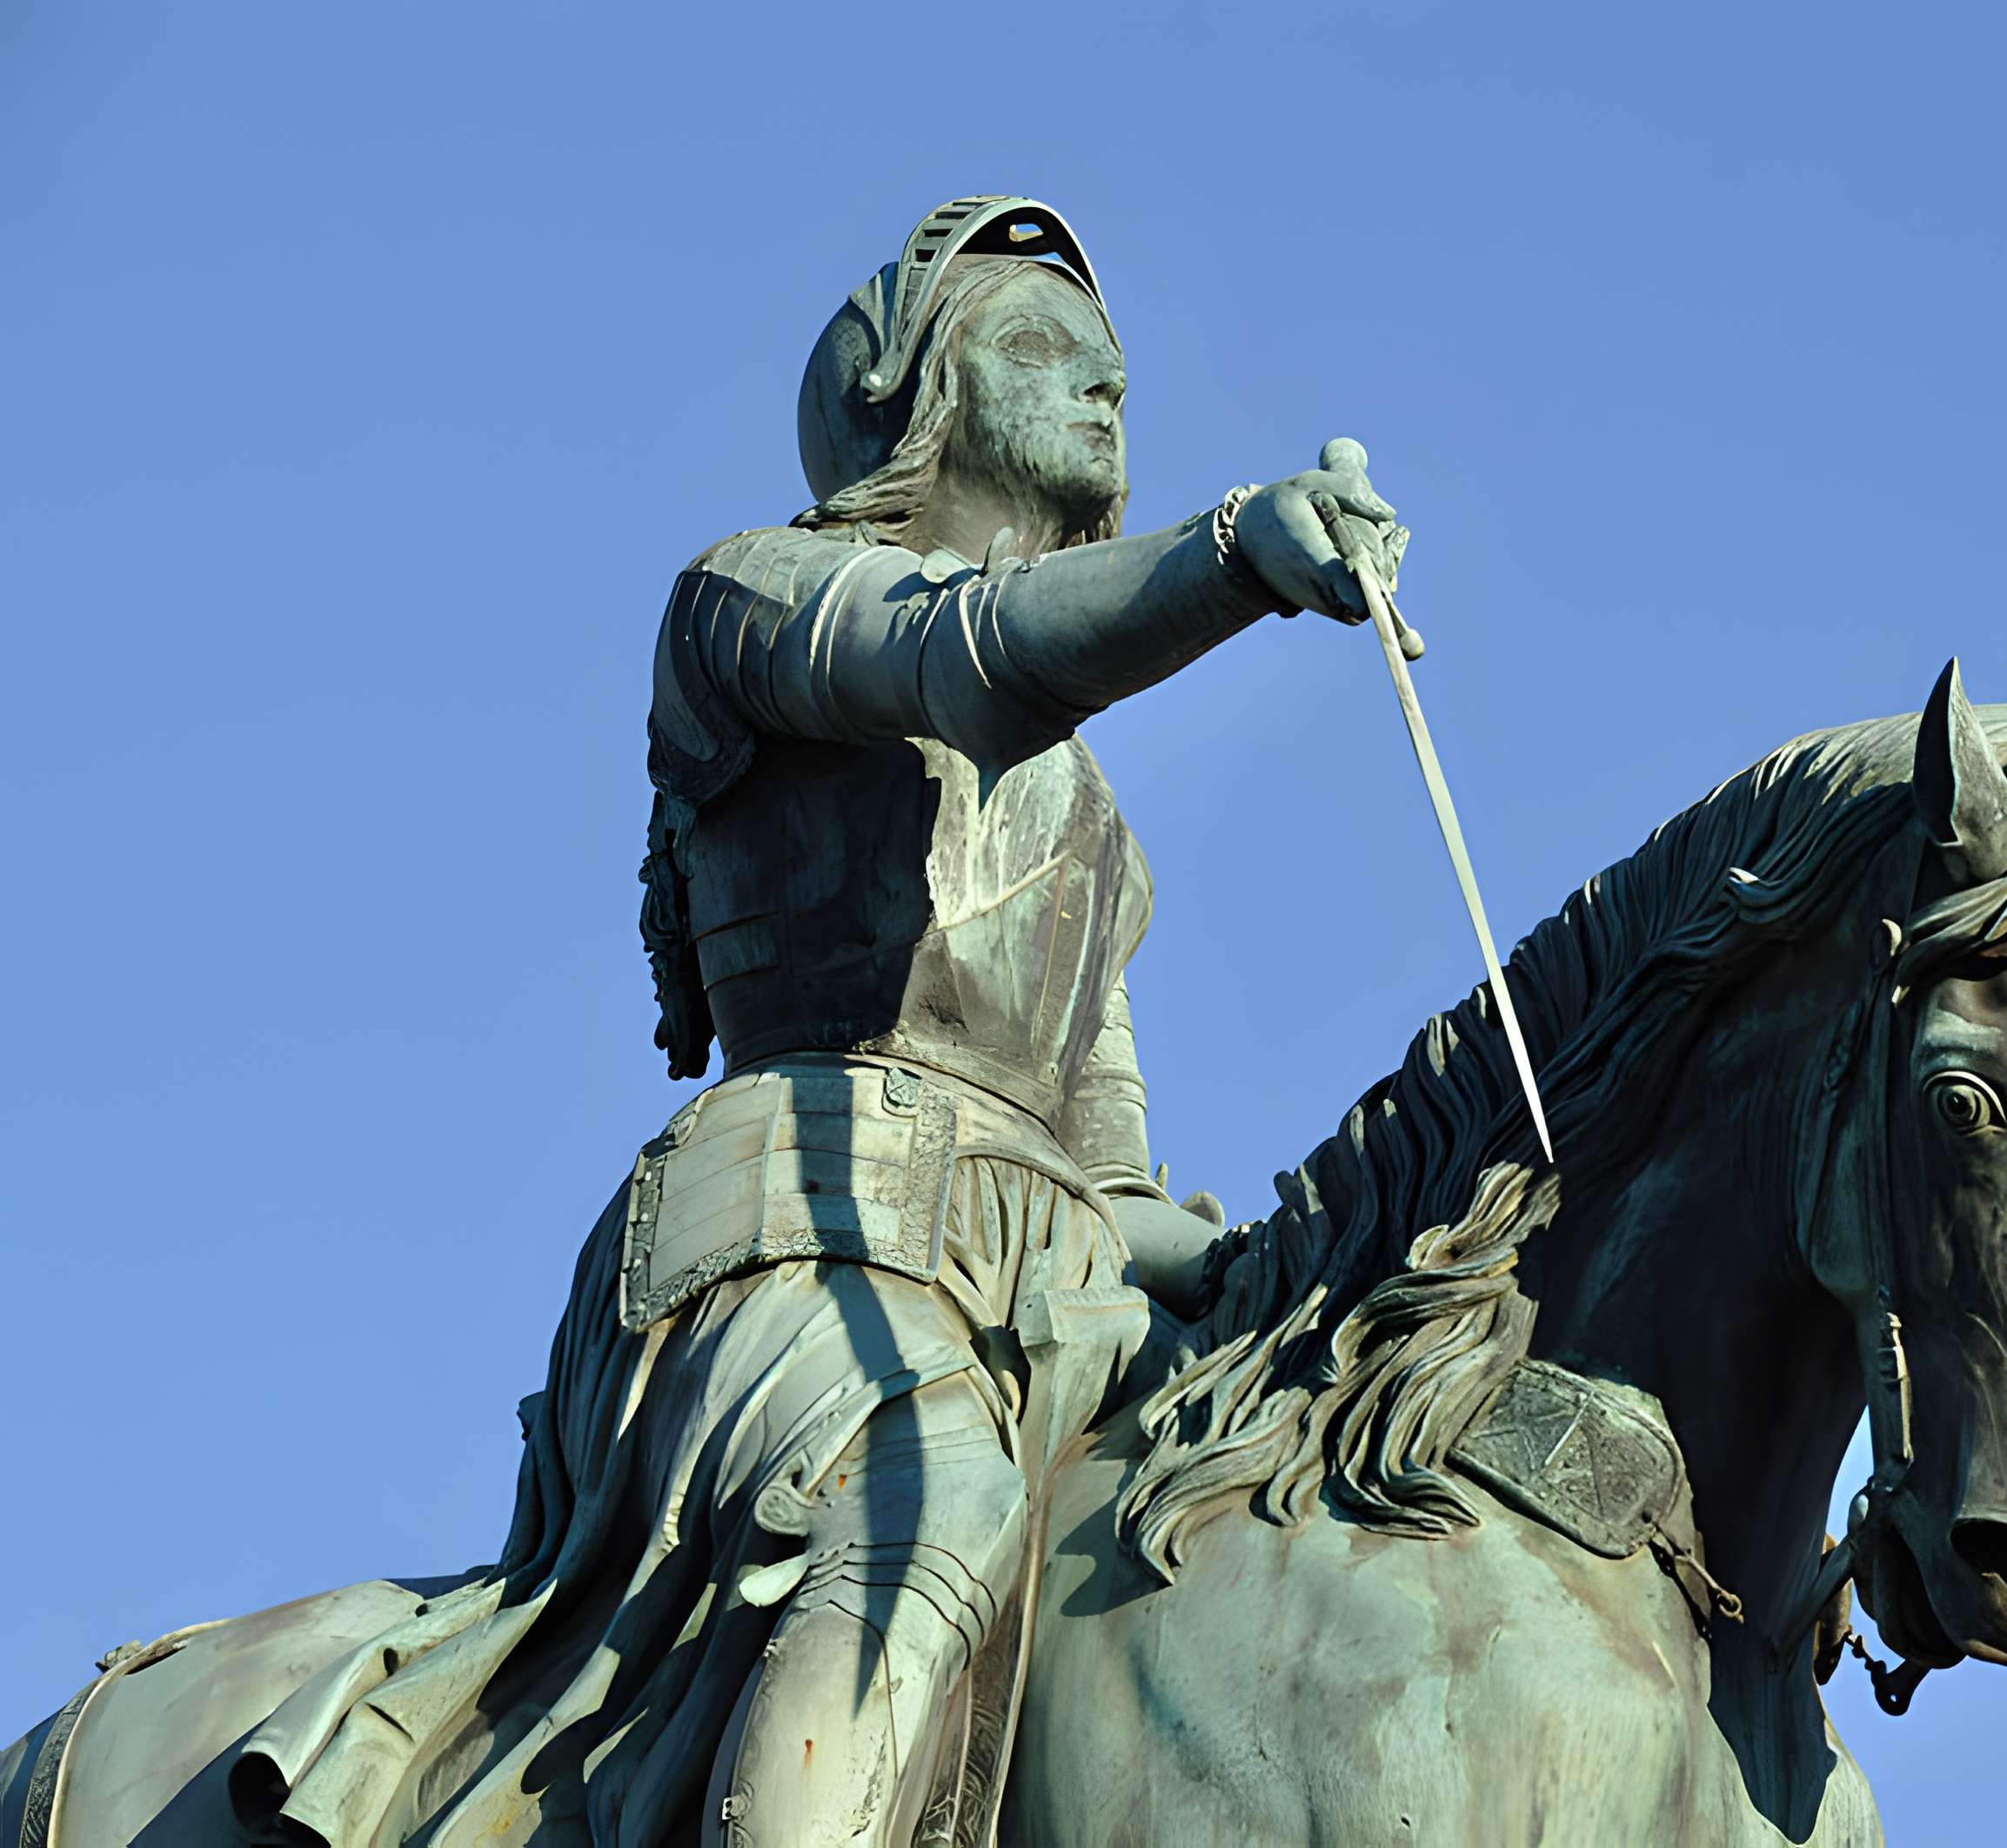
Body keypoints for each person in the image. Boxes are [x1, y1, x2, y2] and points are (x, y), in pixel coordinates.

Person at [226, 196, 1404, 1848]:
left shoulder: (1091, 836)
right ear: (904, 397)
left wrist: (1289, 1268)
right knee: (929, 1508)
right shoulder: (750, 600)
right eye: (1040, 349)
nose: (1106, 386)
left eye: (1115, 366)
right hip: (796, 1239)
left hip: (1049, 1300)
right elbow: (959, 663)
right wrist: (1231, 557)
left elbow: (1114, 1188)